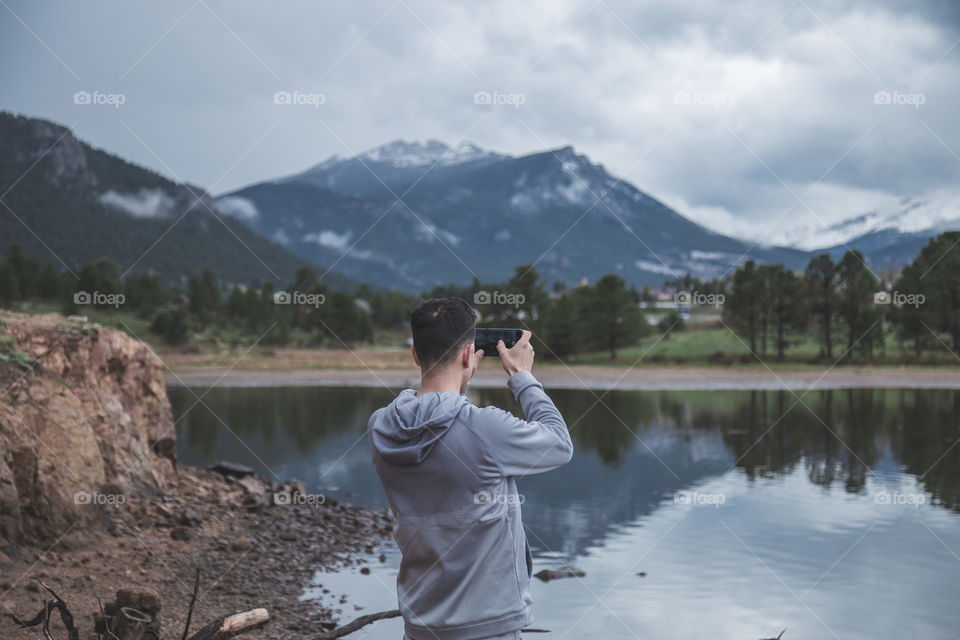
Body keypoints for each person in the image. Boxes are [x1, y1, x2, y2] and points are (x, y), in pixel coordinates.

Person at [368, 297, 573, 640]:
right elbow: (559, 444)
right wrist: (522, 377)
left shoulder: (380, 427)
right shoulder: (483, 427)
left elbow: (435, 415)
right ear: (468, 354)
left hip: (420, 626)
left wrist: (458, 379)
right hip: (489, 627)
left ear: (416, 355)